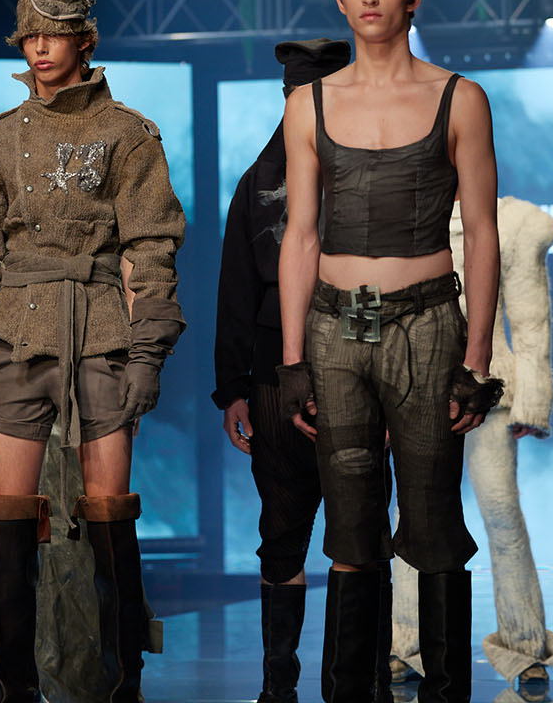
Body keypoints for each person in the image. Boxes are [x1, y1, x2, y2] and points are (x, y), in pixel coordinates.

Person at [0, 0, 186, 703]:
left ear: (85, 39)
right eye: (30, 36)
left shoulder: (129, 134)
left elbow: (152, 247)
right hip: (15, 337)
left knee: (108, 518)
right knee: (9, 520)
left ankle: (120, 685)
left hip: (102, 335)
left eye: (55, 34)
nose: (40, 48)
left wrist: (149, 352)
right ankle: (13, 688)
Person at [277, 0, 503, 703]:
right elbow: (300, 235)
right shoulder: (308, 104)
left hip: (427, 325)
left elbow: (481, 232)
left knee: (434, 521)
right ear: (340, 0)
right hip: (335, 330)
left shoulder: (459, 97)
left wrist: (474, 361)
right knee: (349, 529)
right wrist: (291, 361)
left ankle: (444, 695)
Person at [214, 37, 353, 703]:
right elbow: (235, 288)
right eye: (297, 95)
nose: (307, 106)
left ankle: (345, 684)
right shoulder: (259, 180)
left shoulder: (364, 169)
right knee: (286, 532)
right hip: (278, 375)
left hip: (353, 367)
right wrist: (232, 389)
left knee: (353, 532)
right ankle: (282, 684)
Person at [390, 197, 553, 697]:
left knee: (501, 514)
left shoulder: (512, 222)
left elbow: (531, 320)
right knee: (411, 513)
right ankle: (405, 643)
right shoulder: (402, 206)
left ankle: (526, 645)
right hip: (415, 389)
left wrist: (531, 402)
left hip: (488, 390)